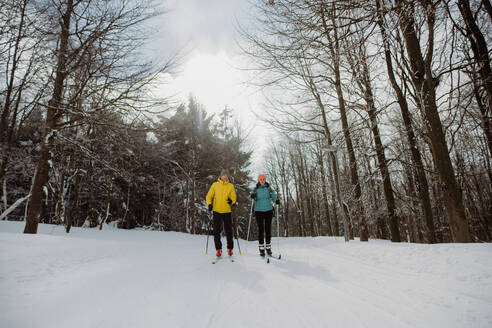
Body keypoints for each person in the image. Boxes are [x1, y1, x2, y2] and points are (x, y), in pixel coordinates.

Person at [206, 170, 237, 258]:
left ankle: (230, 248)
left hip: (227, 211)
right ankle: (218, 250)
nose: (225, 177)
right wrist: (209, 204)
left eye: (226, 176)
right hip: (216, 211)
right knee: (216, 231)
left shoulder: (230, 186)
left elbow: (233, 197)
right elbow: (209, 196)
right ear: (220, 176)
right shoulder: (215, 185)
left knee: (229, 231)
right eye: (224, 175)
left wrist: (232, 201)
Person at [248, 174, 279, 257]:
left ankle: (268, 247)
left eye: (263, 179)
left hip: (268, 210)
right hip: (258, 211)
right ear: (258, 180)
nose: (262, 180)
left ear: (265, 180)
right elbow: (250, 198)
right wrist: (252, 196)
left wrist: (276, 201)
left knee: (268, 229)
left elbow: (274, 196)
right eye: (261, 179)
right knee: (261, 229)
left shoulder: (269, 188)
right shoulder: (255, 189)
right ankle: (261, 248)